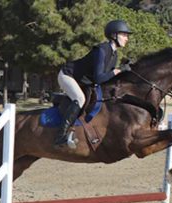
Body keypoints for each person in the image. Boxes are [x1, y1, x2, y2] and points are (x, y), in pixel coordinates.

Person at [55, 19, 132, 147]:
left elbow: (107, 77)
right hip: (68, 75)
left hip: (83, 81)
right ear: (114, 35)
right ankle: (61, 136)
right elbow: (99, 78)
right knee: (80, 99)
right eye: (124, 35)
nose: (126, 38)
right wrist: (118, 71)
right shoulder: (102, 50)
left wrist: (123, 71)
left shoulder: (114, 55)